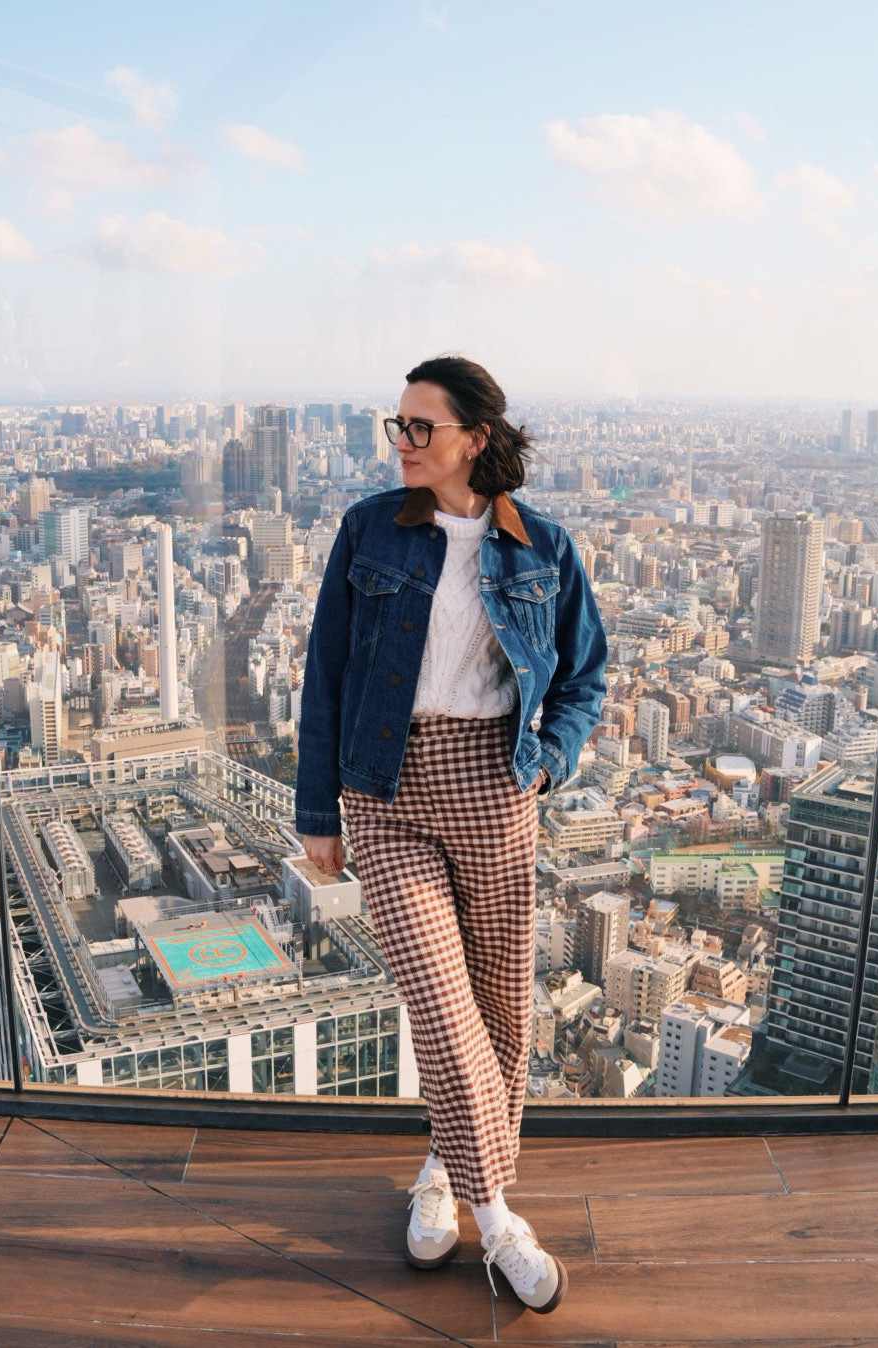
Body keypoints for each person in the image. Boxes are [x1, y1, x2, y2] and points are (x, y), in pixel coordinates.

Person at [295, 355, 606, 1314]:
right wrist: (317, 814)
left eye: (420, 428)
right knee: (438, 997)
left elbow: (586, 677)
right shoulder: (368, 531)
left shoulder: (543, 547)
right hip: (387, 787)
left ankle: (440, 1166)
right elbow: (326, 677)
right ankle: (499, 1218)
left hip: (494, 787)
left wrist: (547, 759)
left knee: (501, 1006)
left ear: (476, 435)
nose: (402, 442)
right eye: (396, 425)